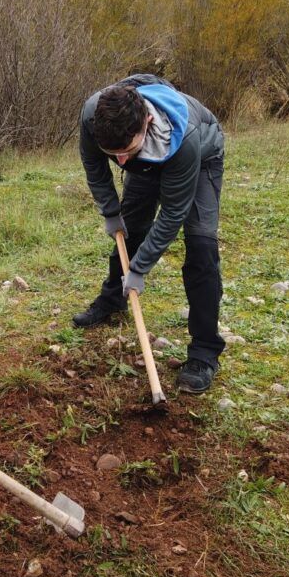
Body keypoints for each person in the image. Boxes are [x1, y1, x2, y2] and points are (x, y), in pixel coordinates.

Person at [73, 74, 225, 394]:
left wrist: (140, 268)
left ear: (148, 122)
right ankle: (113, 300)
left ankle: (204, 353)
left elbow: (172, 214)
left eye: (126, 150)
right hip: (148, 157)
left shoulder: (185, 136)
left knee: (201, 246)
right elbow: (94, 166)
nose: (121, 161)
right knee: (131, 230)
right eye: (114, 153)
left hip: (199, 159)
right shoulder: (92, 116)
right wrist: (111, 212)